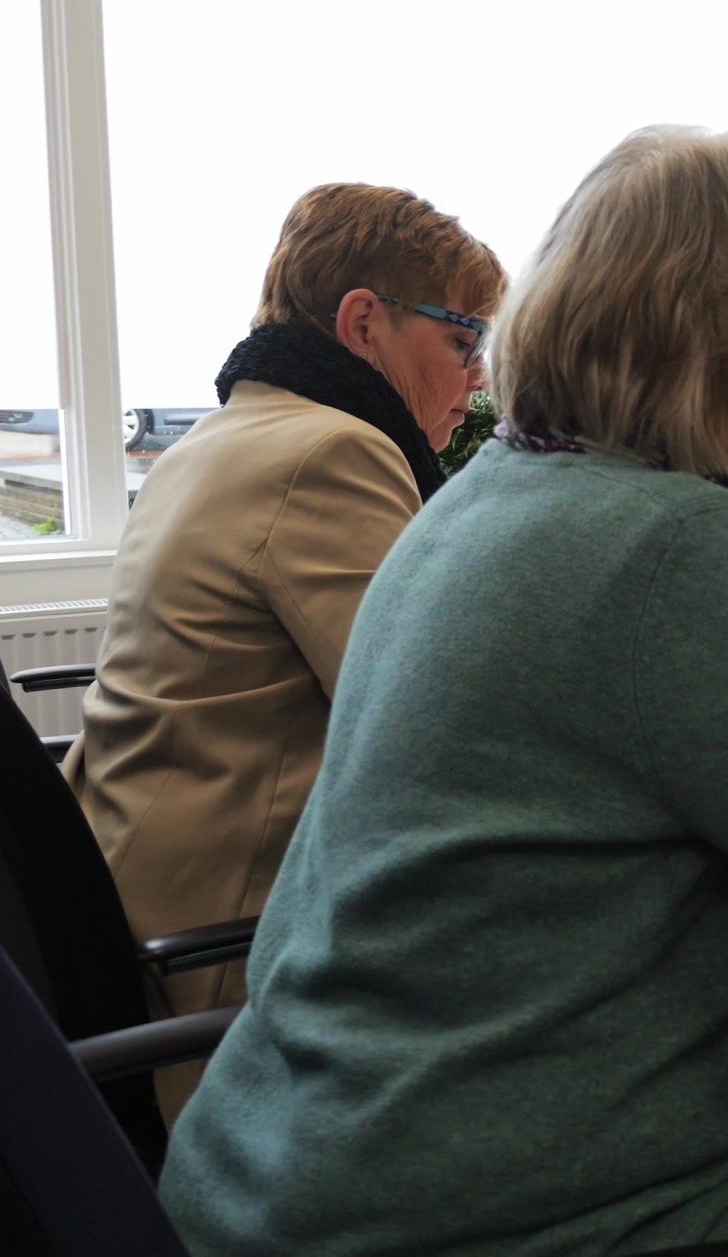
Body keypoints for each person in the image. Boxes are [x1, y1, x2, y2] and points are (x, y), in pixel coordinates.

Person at [158, 126, 728, 1256]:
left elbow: (598, 764)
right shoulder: (686, 546)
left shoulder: (486, 497)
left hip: (294, 1164)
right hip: (491, 1214)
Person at [67, 184, 502, 1061]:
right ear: (364, 323)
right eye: (464, 339)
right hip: (226, 957)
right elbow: (438, 729)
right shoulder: (332, 451)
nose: (479, 375)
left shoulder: (218, 437)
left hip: (130, 892)